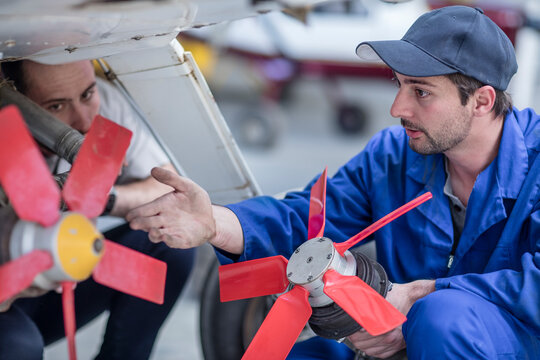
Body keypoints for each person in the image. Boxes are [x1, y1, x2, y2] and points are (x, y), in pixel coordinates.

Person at [127, 5, 539, 360]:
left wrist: (417, 301)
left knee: (441, 318)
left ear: (482, 101)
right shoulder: (394, 156)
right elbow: (308, 221)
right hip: (403, 341)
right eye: (399, 84)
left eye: (422, 92)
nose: (397, 107)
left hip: (507, 342)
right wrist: (213, 222)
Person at [0, 59, 196, 360]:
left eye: (87, 95)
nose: (84, 121)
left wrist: (104, 198)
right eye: (55, 107)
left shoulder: (104, 108)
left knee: (168, 242)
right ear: (17, 101)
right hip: (8, 294)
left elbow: (167, 190)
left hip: (63, 279)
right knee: (19, 346)